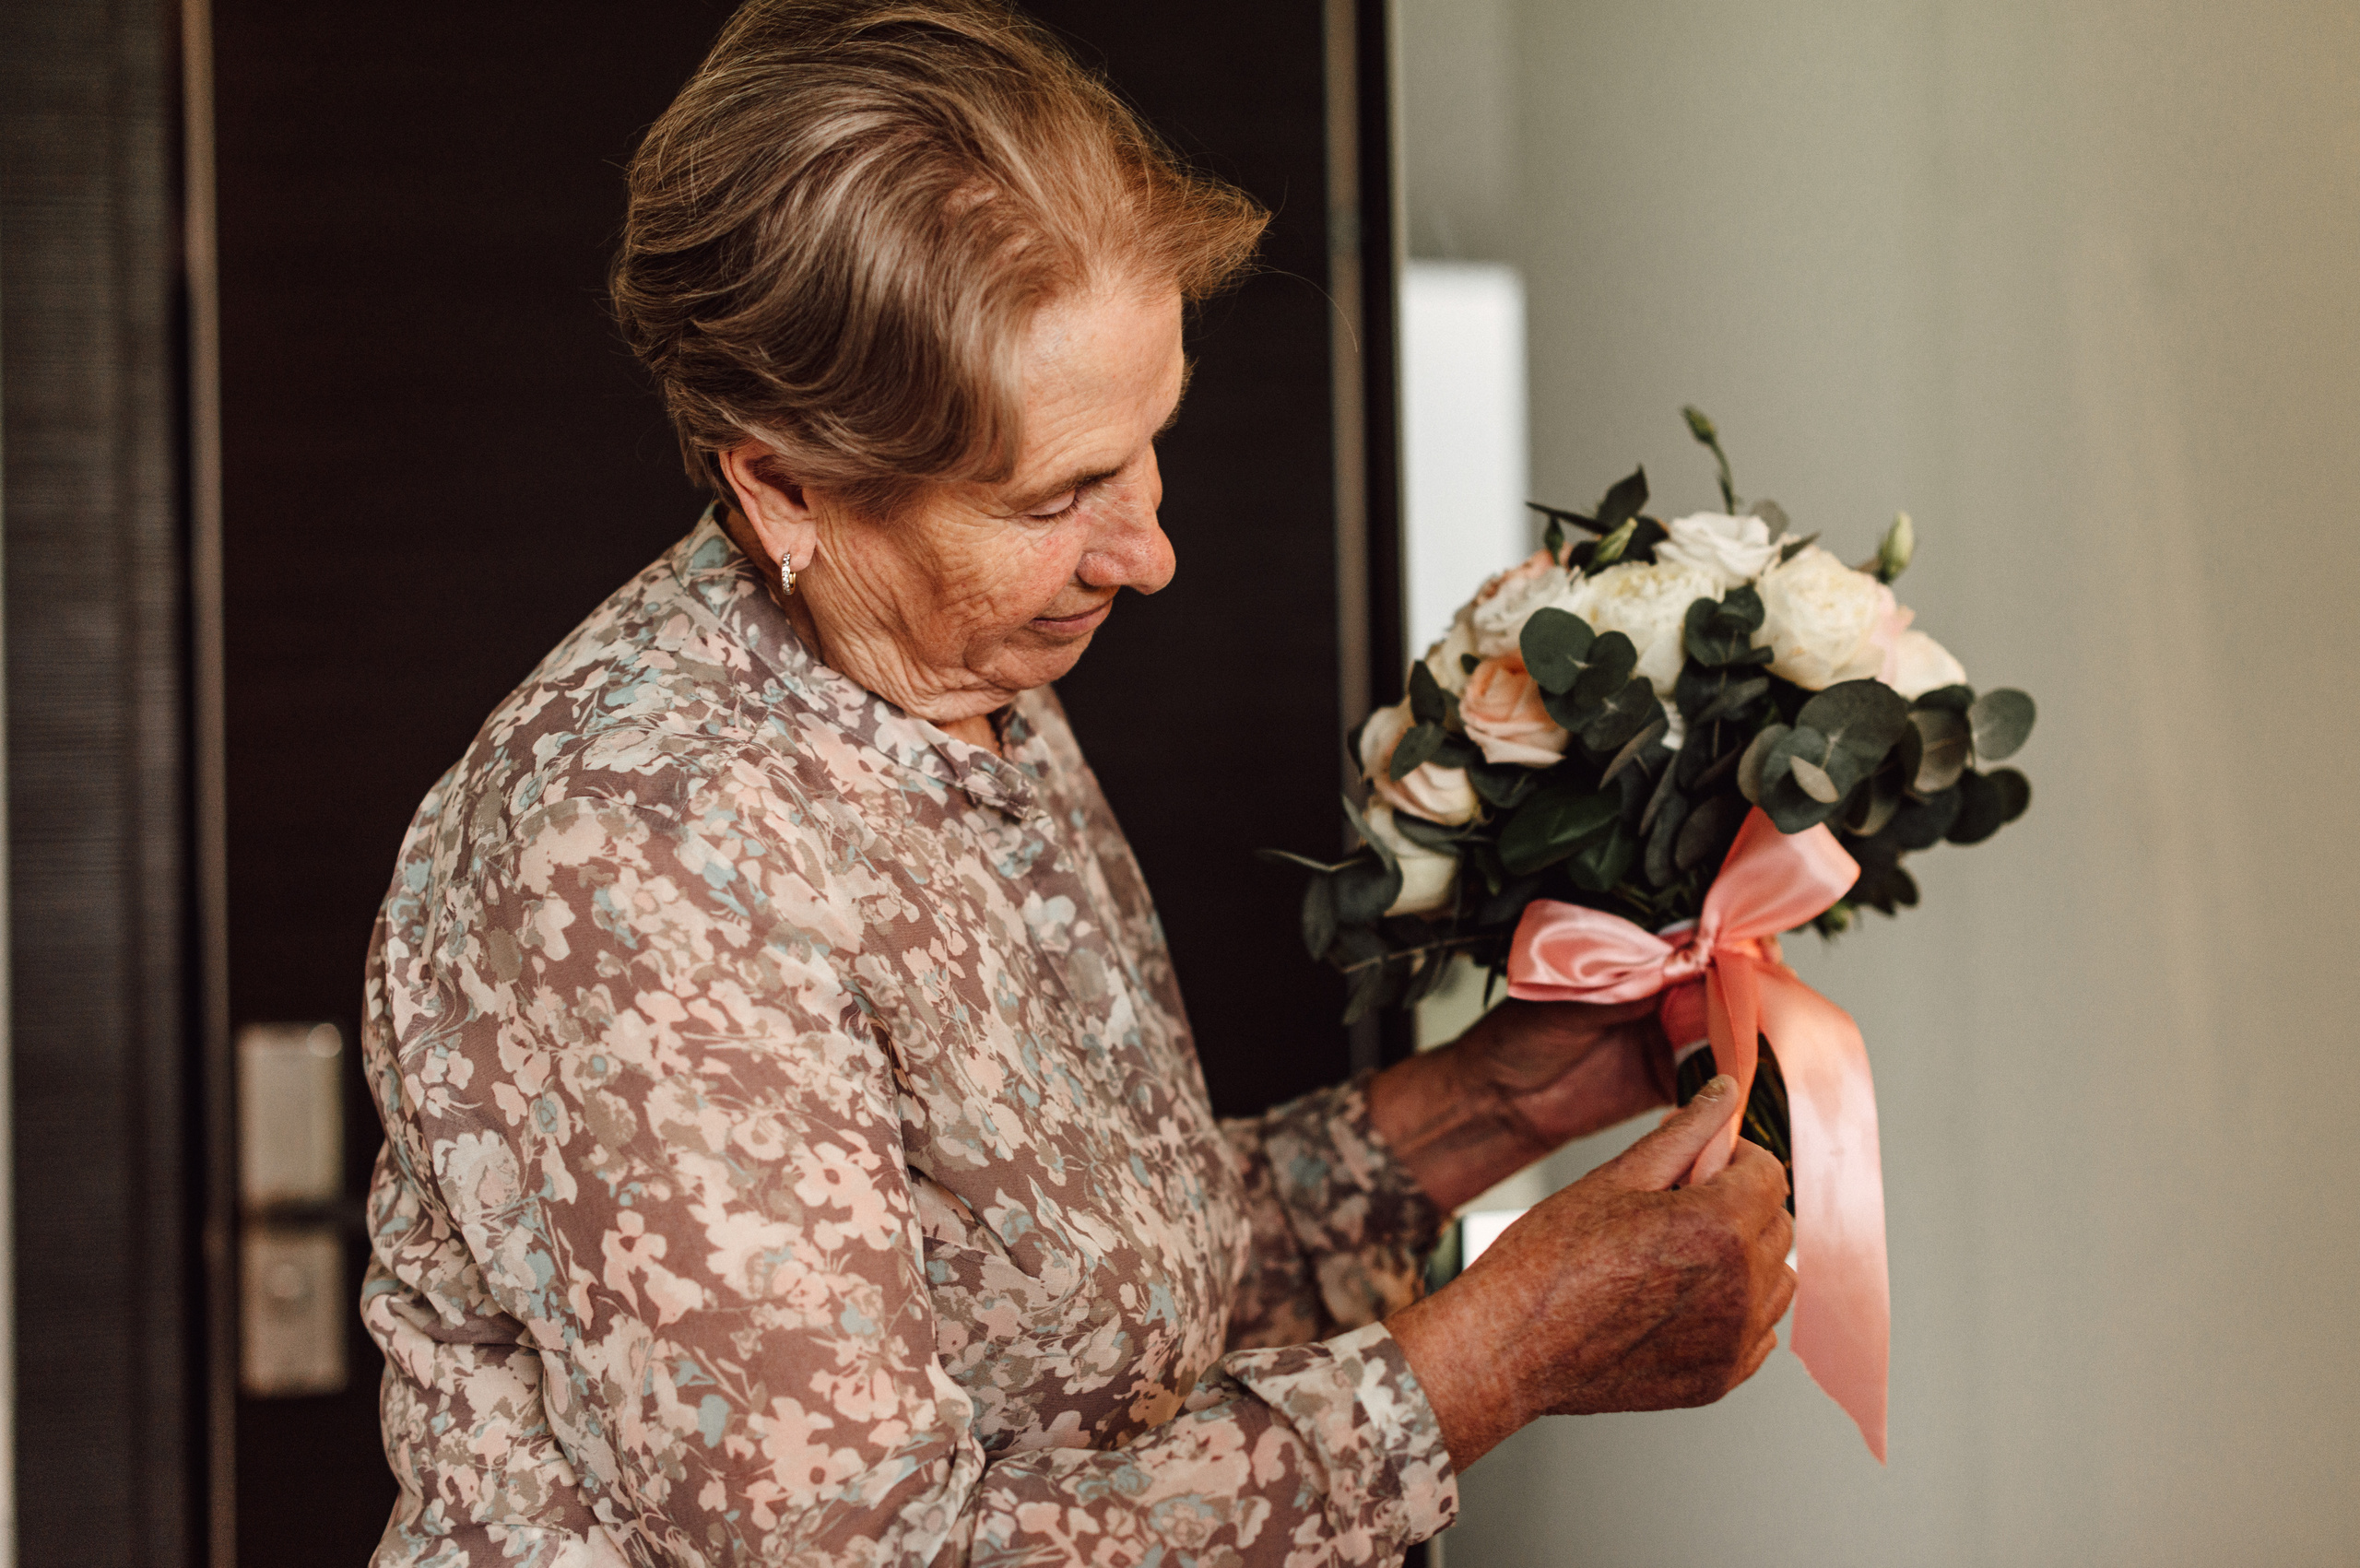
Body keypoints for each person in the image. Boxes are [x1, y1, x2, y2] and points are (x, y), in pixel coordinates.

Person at [358, 2, 1796, 1562]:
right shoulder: (635, 852)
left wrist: (1497, 1099)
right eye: (1060, 494)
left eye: (1149, 442)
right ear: (785, 485)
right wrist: (1497, 1356)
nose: (1150, 553)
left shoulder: (965, 676)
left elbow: (1088, 1304)